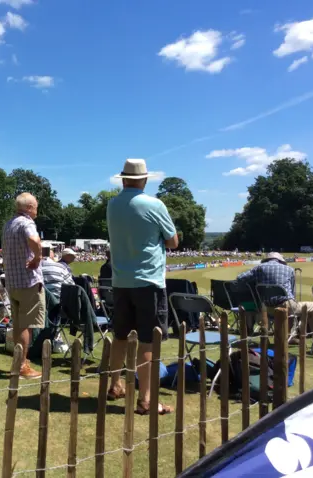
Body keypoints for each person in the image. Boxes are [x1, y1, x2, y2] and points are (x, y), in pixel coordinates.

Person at [106, 158, 179, 415]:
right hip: (148, 281)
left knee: (120, 337)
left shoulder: (112, 205)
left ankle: (115, 385)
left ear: (123, 178)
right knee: (148, 343)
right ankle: (146, 400)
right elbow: (173, 242)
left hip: (121, 281)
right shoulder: (154, 204)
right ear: (145, 179)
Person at [2, 193, 45, 379]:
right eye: (35, 206)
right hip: (28, 281)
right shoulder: (26, 223)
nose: (37, 210)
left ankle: (18, 363)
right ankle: (22, 367)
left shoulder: (8, 224)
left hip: (12, 282)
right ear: (28, 207)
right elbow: (34, 240)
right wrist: (38, 257)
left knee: (19, 325)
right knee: (27, 325)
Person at [235, 252, 313, 338]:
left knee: (290, 305)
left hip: (265, 308)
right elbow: (292, 294)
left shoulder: (258, 268)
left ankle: (288, 335)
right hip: (286, 306)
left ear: (266, 260)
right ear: (280, 260)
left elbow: (239, 278)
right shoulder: (289, 269)